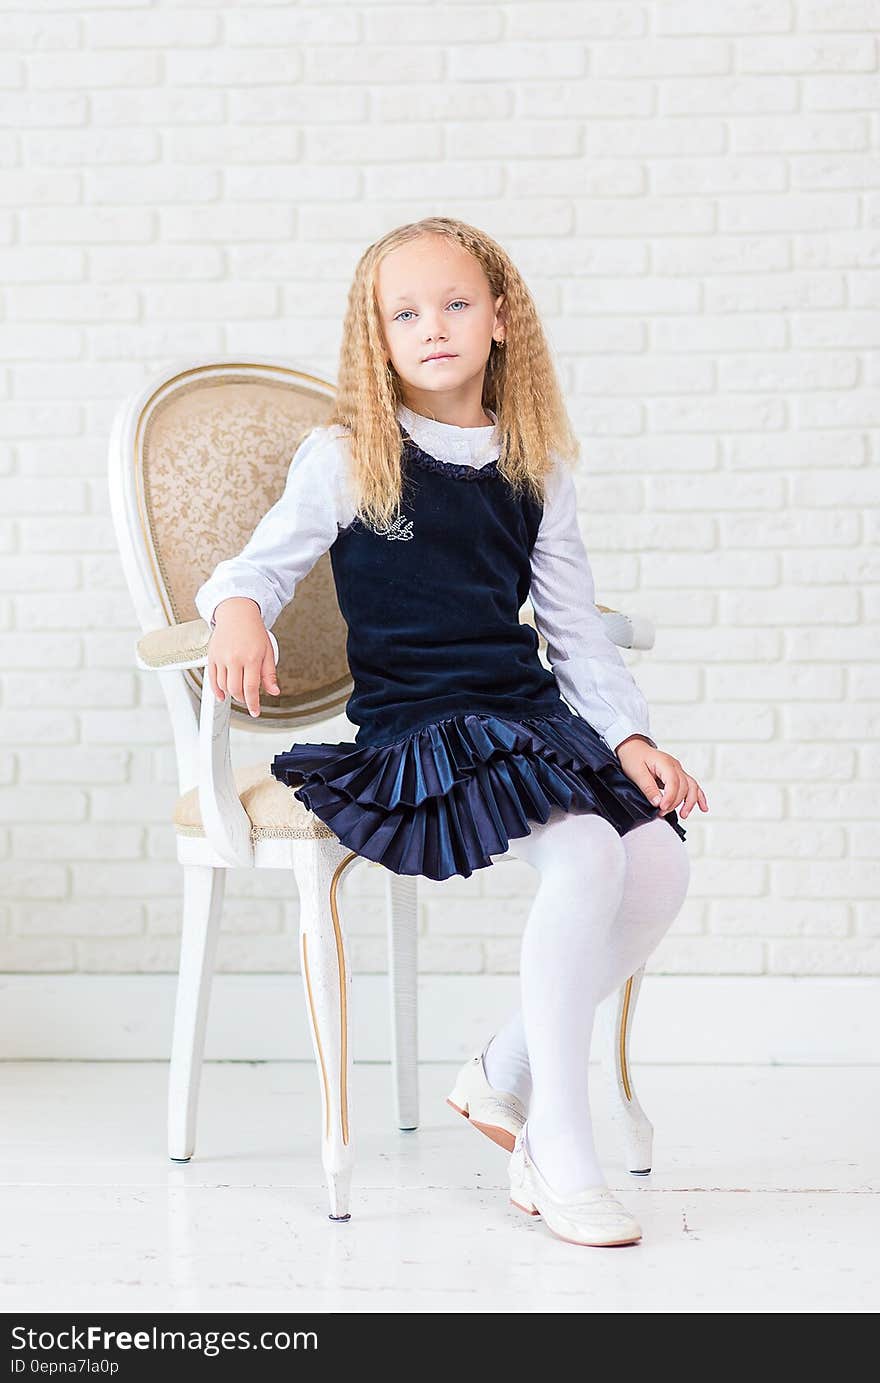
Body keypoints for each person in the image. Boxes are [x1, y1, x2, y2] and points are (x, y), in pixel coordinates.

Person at [194, 216, 709, 1249]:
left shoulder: (536, 468)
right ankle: (559, 1154)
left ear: (501, 319)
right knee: (580, 852)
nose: (433, 326)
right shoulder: (346, 457)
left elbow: (571, 630)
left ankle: (504, 1073)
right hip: (419, 725)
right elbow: (256, 568)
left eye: (457, 303)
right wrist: (237, 611)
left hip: (524, 715)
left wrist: (628, 738)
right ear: (375, 338)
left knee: (655, 863)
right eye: (405, 312)